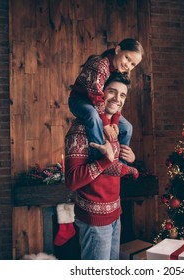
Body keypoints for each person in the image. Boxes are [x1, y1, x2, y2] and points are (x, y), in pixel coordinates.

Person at [65, 72, 139, 260]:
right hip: (94, 222)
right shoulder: (81, 129)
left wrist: (129, 158)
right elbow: (72, 181)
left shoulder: (116, 128)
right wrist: (105, 161)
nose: (117, 99)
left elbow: (114, 168)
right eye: (112, 92)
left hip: (115, 213)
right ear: (100, 94)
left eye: (122, 95)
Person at [68, 38, 144, 162]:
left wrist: (115, 121)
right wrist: (106, 125)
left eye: (132, 64)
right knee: (93, 116)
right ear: (118, 50)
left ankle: (121, 163)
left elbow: (119, 101)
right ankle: (99, 157)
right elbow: (96, 98)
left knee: (127, 127)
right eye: (127, 58)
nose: (128, 65)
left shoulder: (120, 71)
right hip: (80, 100)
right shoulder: (100, 65)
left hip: (98, 102)